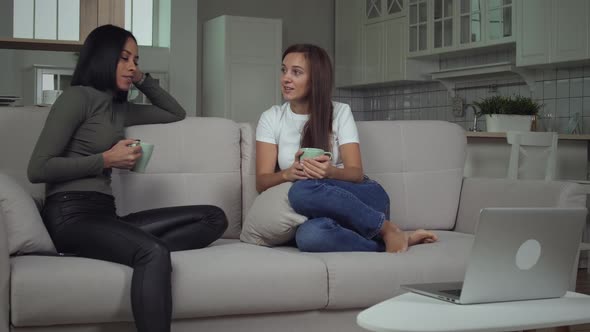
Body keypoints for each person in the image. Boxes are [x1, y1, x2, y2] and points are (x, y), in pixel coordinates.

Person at [27, 25, 227, 332]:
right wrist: (105, 160)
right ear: (103, 58)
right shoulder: (77, 98)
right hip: (70, 215)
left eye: (136, 60)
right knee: (153, 253)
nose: (132, 66)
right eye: (124, 58)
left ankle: (122, 248)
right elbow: (37, 168)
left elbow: (175, 112)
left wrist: (142, 79)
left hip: (106, 215)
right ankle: (135, 251)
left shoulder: (119, 108)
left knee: (214, 218)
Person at [255, 43, 437, 253]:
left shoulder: (340, 112)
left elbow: (356, 173)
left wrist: (330, 171)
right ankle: (389, 240)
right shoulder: (272, 117)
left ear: (316, 79)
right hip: (316, 212)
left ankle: (385, 228)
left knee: (302, 190)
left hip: (363, 200)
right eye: (284, 70)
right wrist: (288, 174)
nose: (286, 78)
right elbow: (262, 182)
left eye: (296, 72)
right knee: (309, 236)